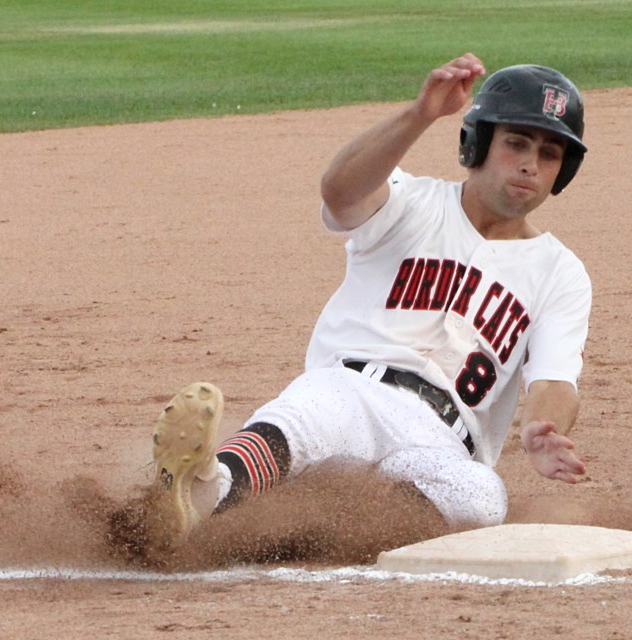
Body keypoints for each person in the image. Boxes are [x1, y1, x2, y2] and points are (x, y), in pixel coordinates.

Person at [147, 52, 592, 553]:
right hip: (353, 390)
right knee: (302, 421)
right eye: (516, 143)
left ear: (564, 171)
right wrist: (419, 115)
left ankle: (295, 533)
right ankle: (201, 495)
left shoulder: (560, 272)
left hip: (441, 443)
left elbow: (555, 380)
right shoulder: (409, 201)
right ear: (478, 143)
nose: (532, 164)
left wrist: (540, 427)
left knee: (482, 497)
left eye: (551, 154)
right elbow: (339, 191)